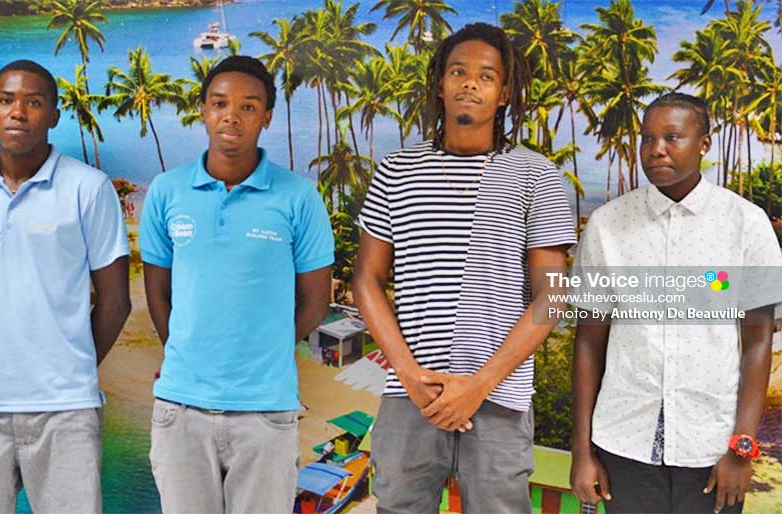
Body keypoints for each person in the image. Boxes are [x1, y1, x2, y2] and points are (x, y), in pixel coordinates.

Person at [353, 23, 576, 513]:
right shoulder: (396, 170)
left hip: (498, 398)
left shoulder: (535, 174)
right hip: (412, 394)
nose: (470, 83)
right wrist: (408, 374)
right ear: (440, 83)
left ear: (504, 94)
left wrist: (478, 385)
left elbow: (552, 296)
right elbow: (366, 281)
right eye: (458, 71)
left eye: (486, 75)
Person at [0, 59, 131, 514]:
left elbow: (116, 303)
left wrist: (68, 364)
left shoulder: (89, 189)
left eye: (34, 102)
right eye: (6, 101)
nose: (18, 112)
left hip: (67, 412)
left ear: (54, 116)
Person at [570, 93, 782, 514]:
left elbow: (758, 342)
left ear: (703, 144)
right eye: (647, 138)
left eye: (672, 137)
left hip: (710, 447)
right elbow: (589, 342)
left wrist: (741, 449)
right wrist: (581, 451)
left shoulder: (745, 224)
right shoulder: (607, 225)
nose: (656, 149)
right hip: (622, 442)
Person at [139, 55, 334, 514]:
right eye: (220, 103)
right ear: (203, 110)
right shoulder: (166, 192)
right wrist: (187, 355)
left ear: (267, 117)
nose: (232, 115)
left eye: (249, 106)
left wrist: (263, 350)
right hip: (180, 410)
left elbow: (314, 302)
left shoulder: (299, 197)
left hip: (267, 411)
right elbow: (158, 294)